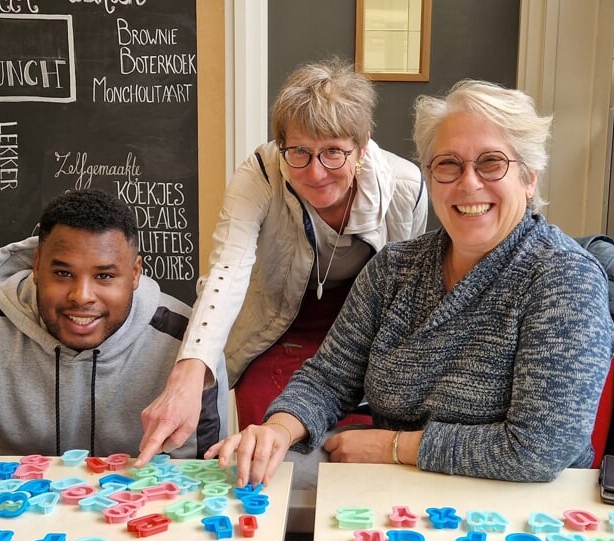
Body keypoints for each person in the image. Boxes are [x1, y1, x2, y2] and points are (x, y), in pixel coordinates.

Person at [206, 79, 614, 487]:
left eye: (491, 162)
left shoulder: (565, 278)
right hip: (400, 495)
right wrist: (278, 428)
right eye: (448, 164)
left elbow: (537, 450)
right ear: (430, 175)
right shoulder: (396, 267)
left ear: (530, 178)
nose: (468, 183)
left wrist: (393, 448)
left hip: (520, 511)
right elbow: (329, 378)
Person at [134, 58, 428, 466]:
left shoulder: (406, 186)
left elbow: (407, 298)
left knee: (355, 455)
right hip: (275, 324)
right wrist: (188, 379)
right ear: (280, 146)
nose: (316, 172)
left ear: (362, 146)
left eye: (333, 153)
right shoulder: (259, 174)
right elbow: (227, 270)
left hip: (361, 333)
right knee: (272, 454)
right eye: (299, 152)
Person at [0, 188, 229, 488]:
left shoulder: (190, 343)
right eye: (63, 274)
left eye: (104, 276)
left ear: (134, 274)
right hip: (1, 530)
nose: (82, 295)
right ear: (36, 267)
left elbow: (210, 470)